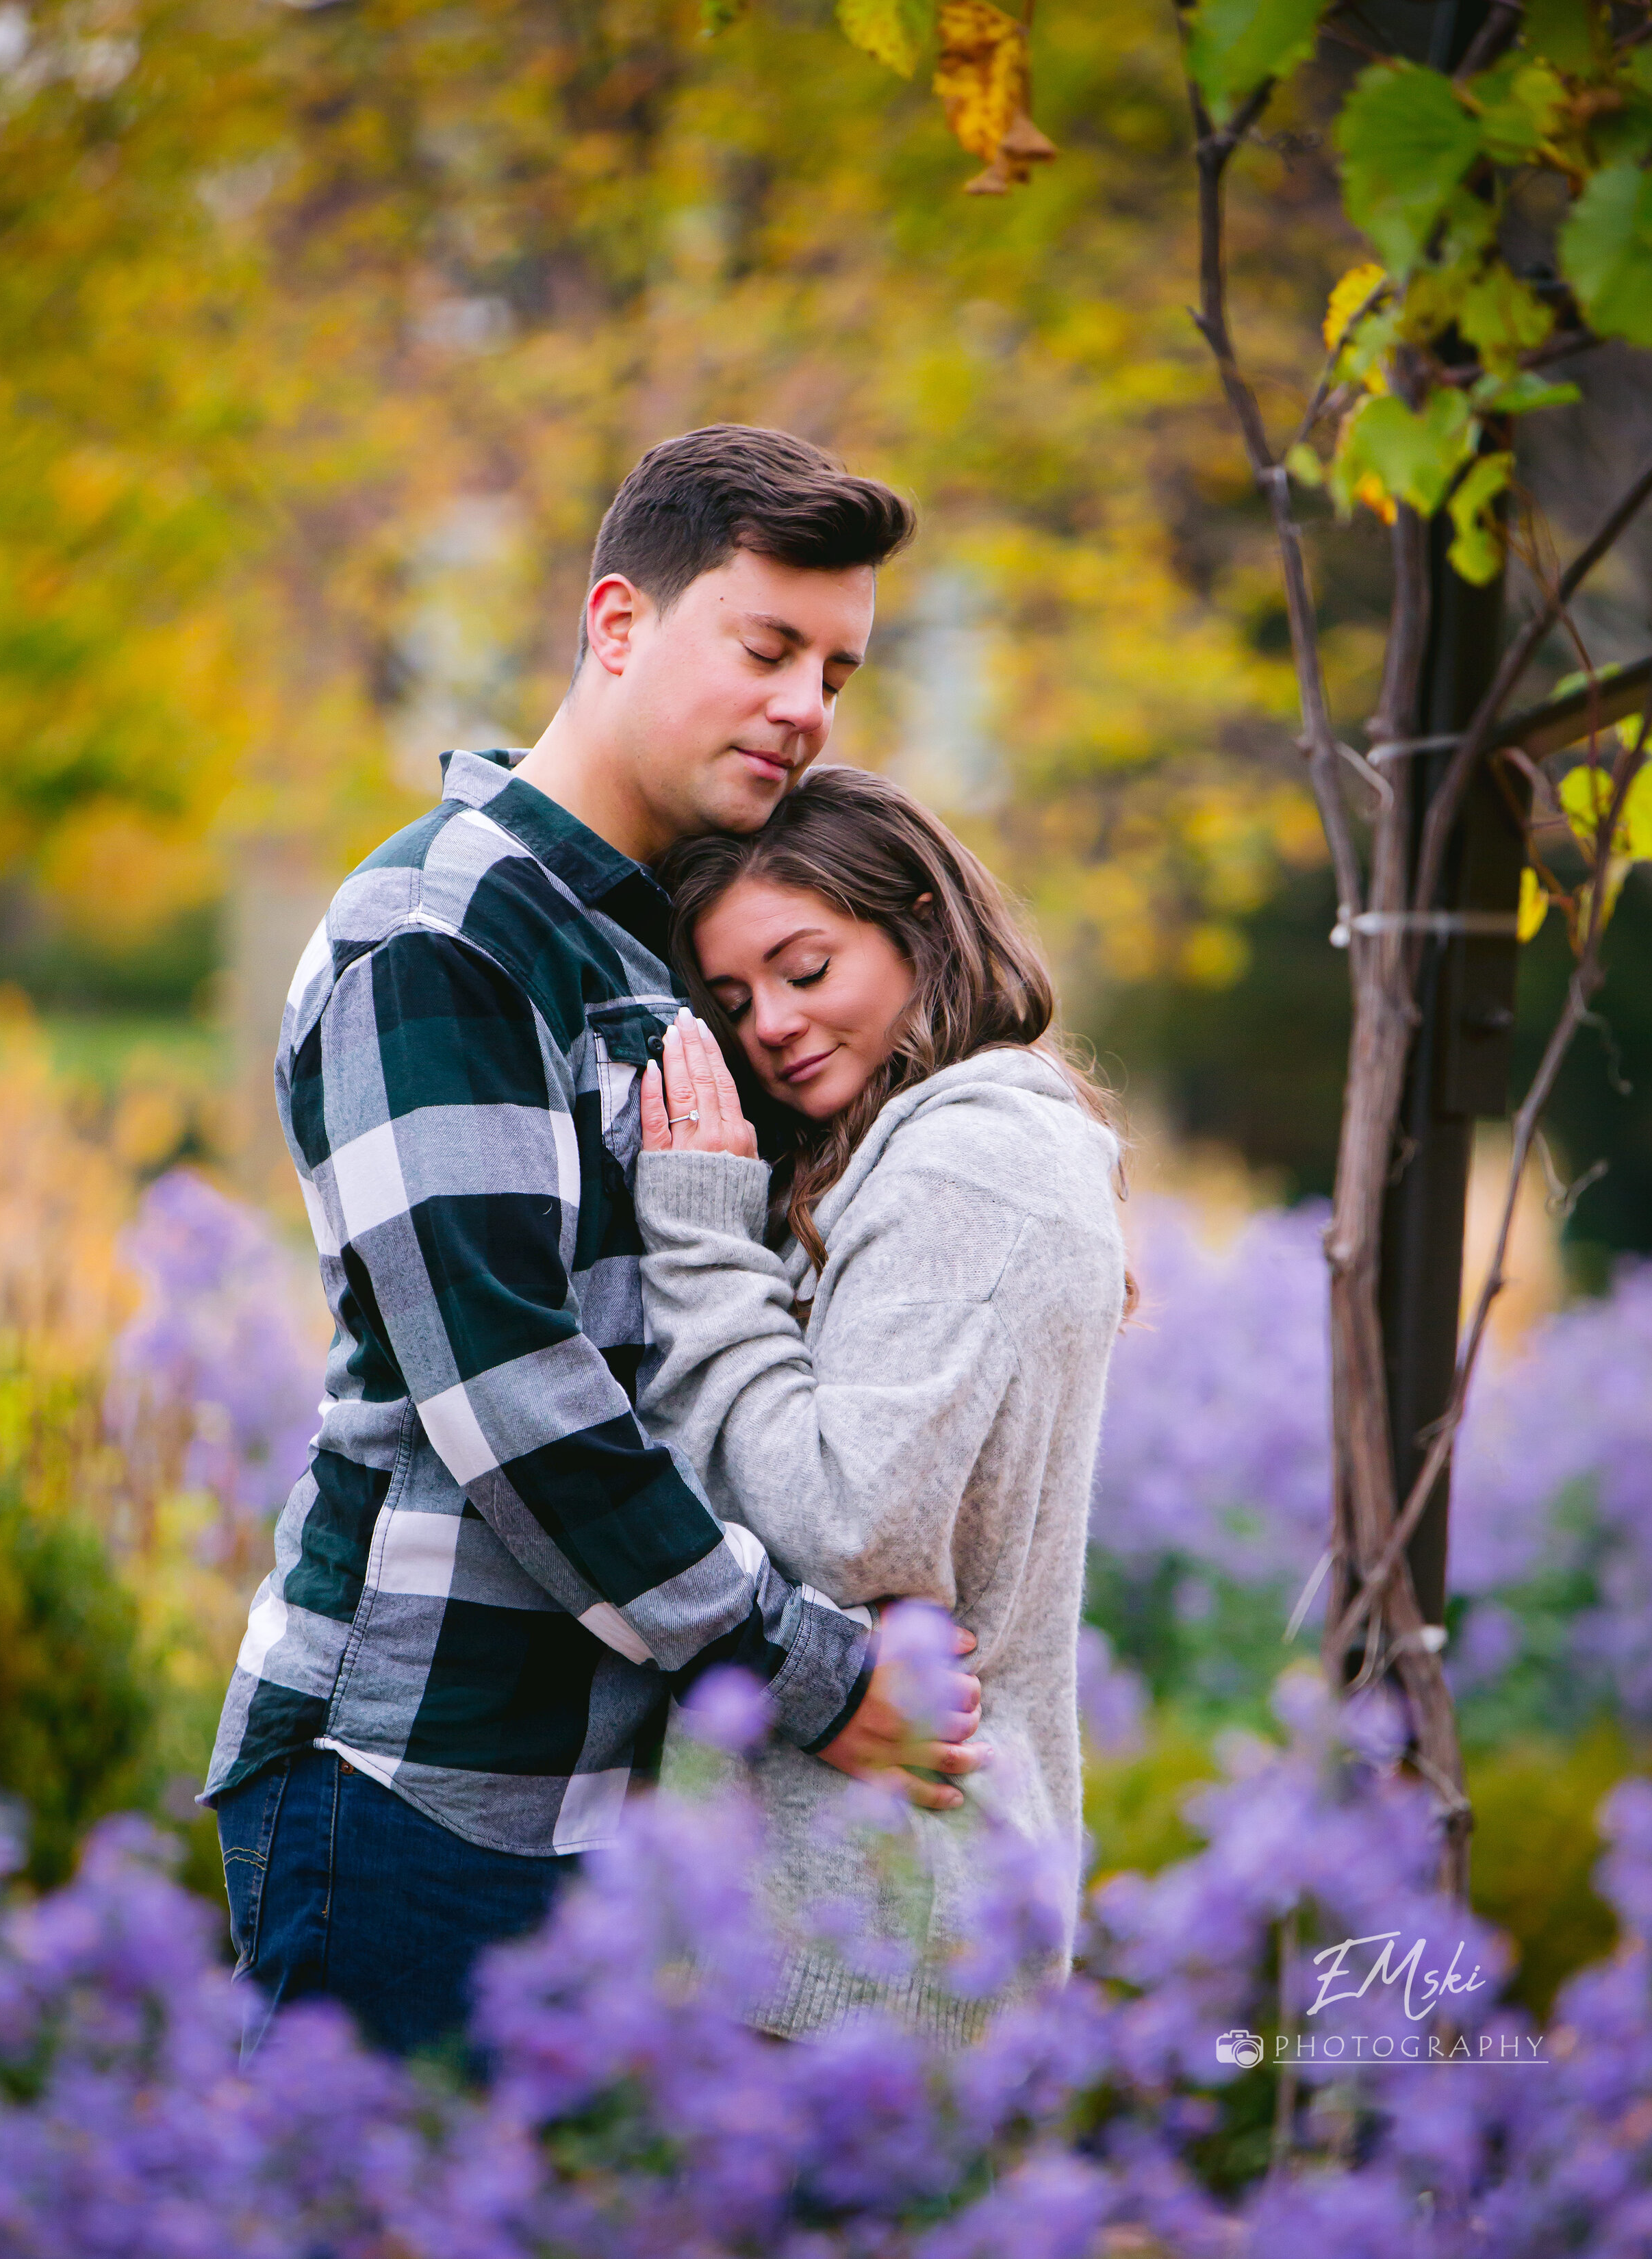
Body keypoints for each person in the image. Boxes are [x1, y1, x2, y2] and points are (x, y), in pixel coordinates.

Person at [203, 427, 984, 2059]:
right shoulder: (443, 938)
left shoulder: (640, 942)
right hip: (413, 1784)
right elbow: (515, 1395)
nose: (803, 708)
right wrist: (817, 1679)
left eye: (835, 672)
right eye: (765, 647)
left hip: (592, 1801)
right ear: (617, 623)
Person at [634, 764, 1131, 2042]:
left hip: (885, 1921)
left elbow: (847, 1520)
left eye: (807, 970)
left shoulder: (971, 1160)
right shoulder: (896, 1151)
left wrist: (696, 1242)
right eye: (734, 999)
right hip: (851, 1900)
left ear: (919, 923)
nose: (773, 1025)